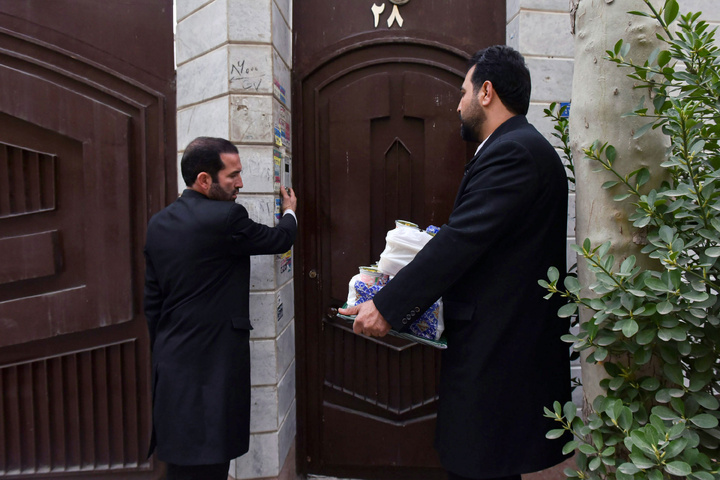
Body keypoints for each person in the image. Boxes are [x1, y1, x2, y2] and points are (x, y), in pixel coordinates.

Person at [339, 45, 571, 480]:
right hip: (498, 349)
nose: (458, 102)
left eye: (463, 90)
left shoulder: (514, 152)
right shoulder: (514, 147)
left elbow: (463, 242)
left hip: (500, 355)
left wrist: (387, 306)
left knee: (480, 465)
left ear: (486, 91)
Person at [144, 137, 298, 480]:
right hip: (214, 363)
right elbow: (279, 240)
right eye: (233, 175)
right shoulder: (227, 217)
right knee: (210, 459)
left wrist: (167, 346)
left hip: (171, 360)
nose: (240, 183)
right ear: (204, 179)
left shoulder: (158, 223)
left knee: (182, 460)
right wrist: (290, 212)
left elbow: (151, 304)